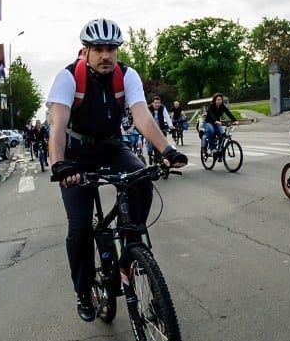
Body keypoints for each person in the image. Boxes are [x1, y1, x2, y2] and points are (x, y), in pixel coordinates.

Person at [47, 18, 187, 322]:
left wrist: (167, 150)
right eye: (98, 48)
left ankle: (133, 249)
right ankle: (83, 291)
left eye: (111, 48)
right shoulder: (69, 77)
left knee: (141, 181)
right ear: (85, 51)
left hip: (112, 146)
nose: (106, 55)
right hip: (76, 155)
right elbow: (57, 125)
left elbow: (142, 116)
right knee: (80, 227)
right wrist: (60, 164)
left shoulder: (127, 76)